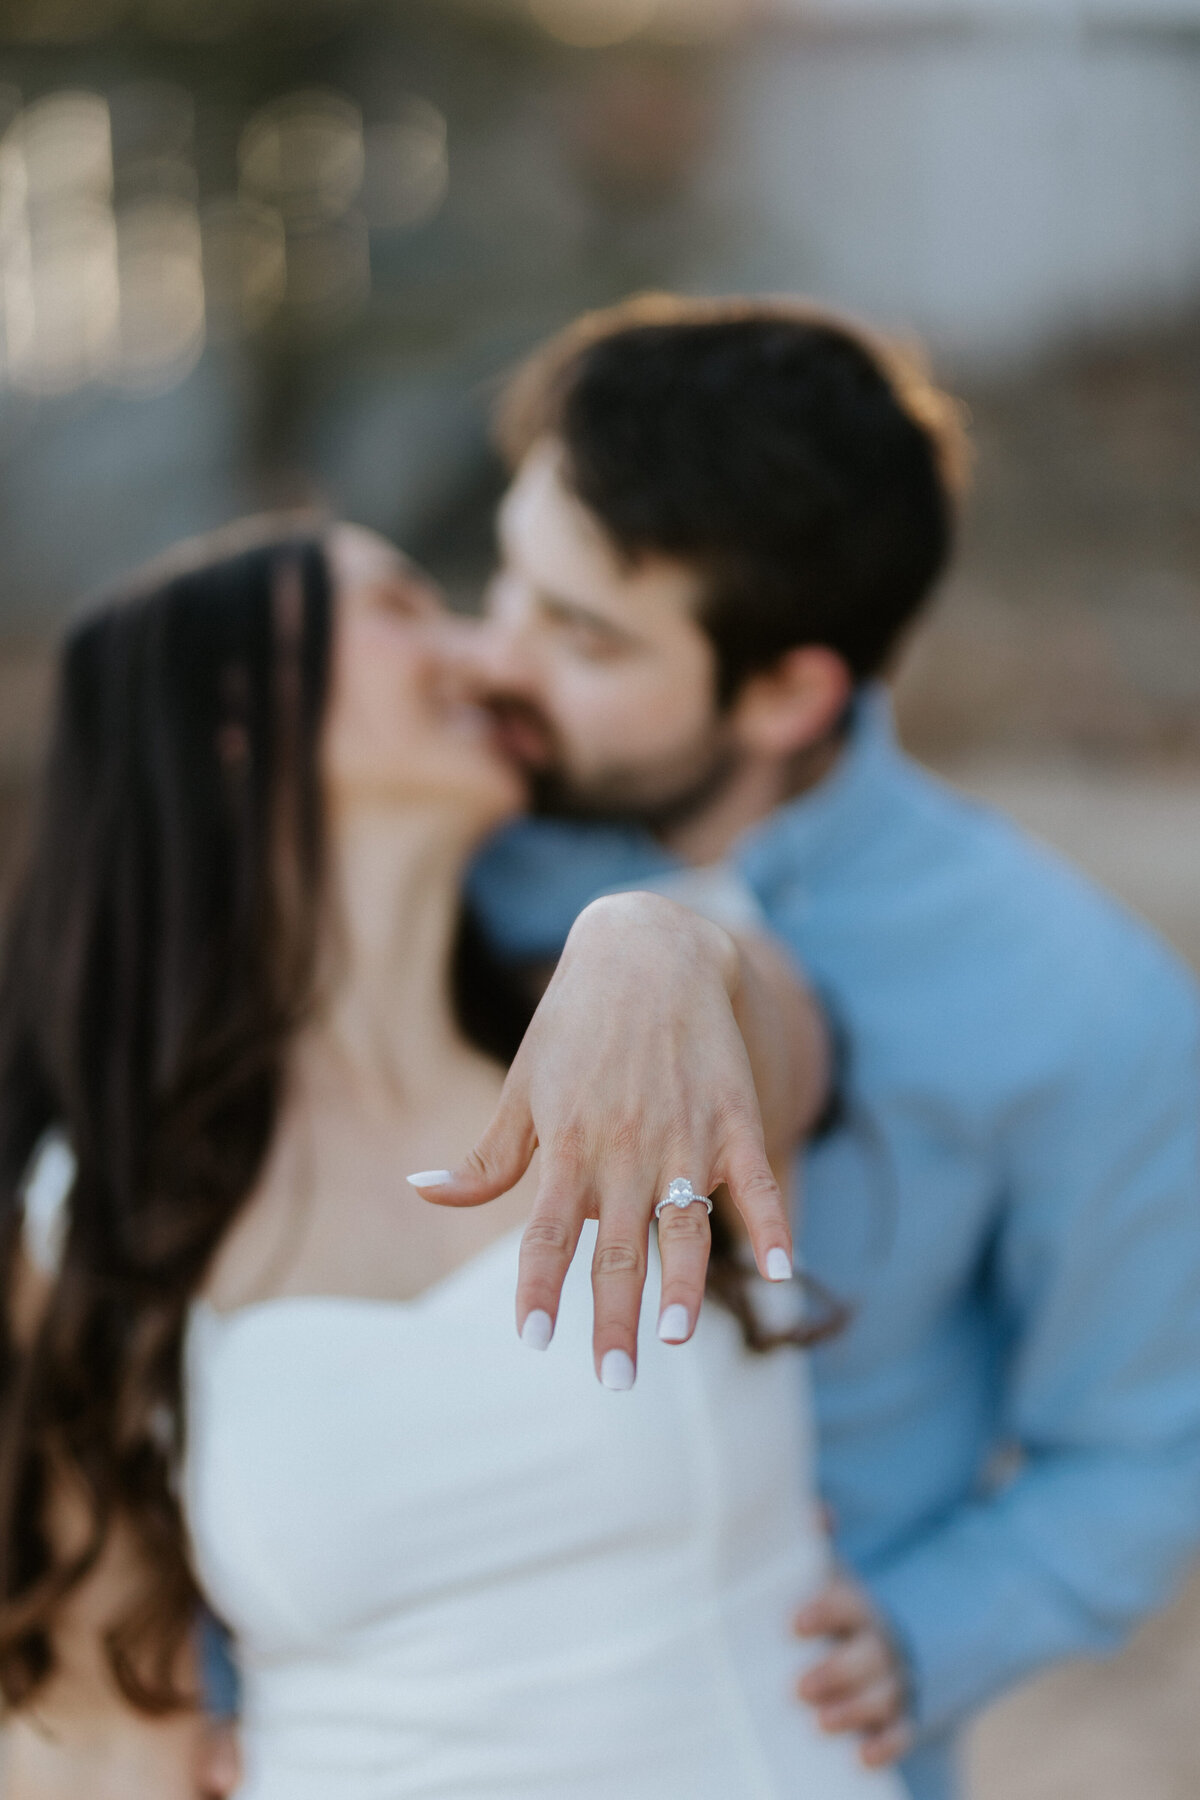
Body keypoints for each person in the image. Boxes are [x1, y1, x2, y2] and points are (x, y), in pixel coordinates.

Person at [0, 518, 895, 1799]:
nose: (485, 650)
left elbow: (780, 1035)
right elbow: (94, 1731)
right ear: (231, 717)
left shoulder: (660, 1035)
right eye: (404, 609)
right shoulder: (91, 1225)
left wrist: (654, 941)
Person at [448, 293, 1200, 1800]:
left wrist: (929, 1637)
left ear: (793, 690)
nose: (498, 657)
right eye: (511, 582)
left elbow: (1139, 1447)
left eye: (581, 632)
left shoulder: (1077, 1001)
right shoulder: (438, 846)